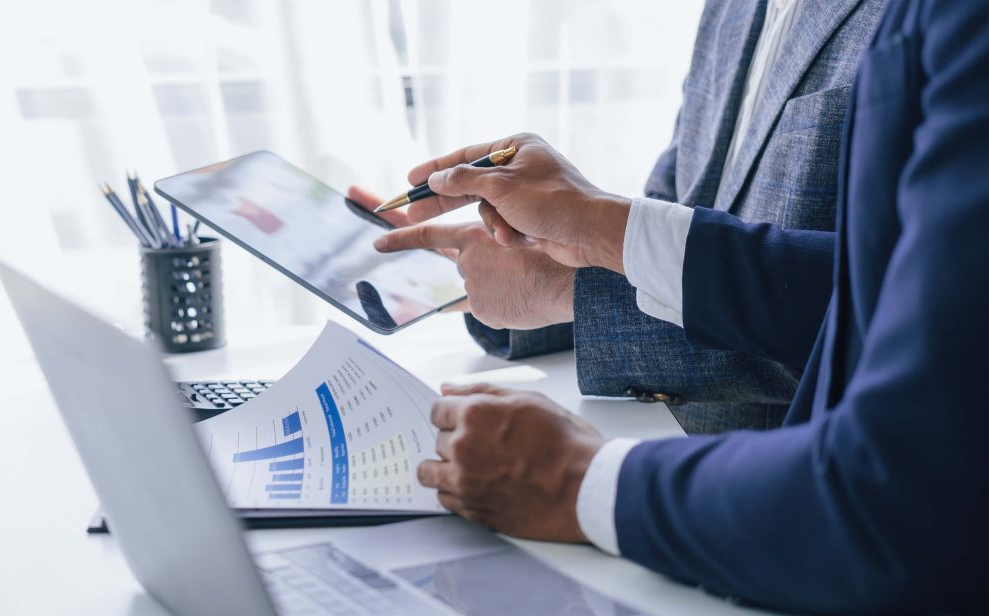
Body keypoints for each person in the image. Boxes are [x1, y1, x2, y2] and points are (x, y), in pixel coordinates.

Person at [373, 0, 989, 612]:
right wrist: (550, 257)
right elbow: (678, 211)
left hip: (785, 527)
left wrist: (577, 476)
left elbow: (866, 316)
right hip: (711, 524)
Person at [353, 0, 889, 434]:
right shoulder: (734, 9)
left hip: (803, 492)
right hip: (655, 447)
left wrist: (569, 287)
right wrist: (523, 258)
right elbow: (678, 214)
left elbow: (887, 313)